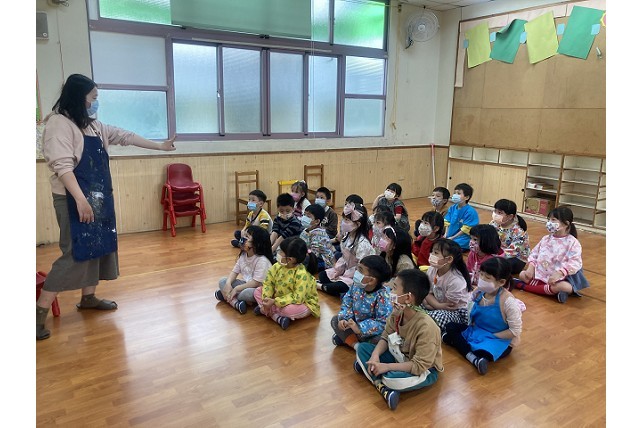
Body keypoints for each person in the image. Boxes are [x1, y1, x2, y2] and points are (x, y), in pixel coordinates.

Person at [37, 74, 176, 341]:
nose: (95, 103)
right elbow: (63, 167)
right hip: (72, 198)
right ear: (79, 98)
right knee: (74, 252)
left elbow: (125, 135)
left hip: (99, 197)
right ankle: (38, 312)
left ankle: (88, 298)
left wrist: (160, 146)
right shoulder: (59, 124)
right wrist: (81, 200)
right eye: (93, 98)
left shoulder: (93, 125)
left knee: (99, 247)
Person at [354, 269, 444, 410]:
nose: (390, 291)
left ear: (408, 298)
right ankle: (381, 383)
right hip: (399, 357)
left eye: (395, 288)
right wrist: (375, 356)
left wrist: (387, 367)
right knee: (362, 348)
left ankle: (377, 378)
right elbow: (385, 337)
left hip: (424, 370)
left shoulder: (427, 327)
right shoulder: (397, 312)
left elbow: (419, 366)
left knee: (392, 379)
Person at [442, 257, 522, 375]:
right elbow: (469, 312)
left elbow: (515, 331)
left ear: (501, 282)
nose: (482, 279)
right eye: (481, 274)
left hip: (497, 338)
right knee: (450, 326)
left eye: (487, 277)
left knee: (483, 352)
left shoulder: (508, 301)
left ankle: (464, 349)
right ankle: (473, 358)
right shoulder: (478, 292)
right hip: (477, 331)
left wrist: (489, 336)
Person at [517, 206, 589, 303]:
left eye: (553, 220)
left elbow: (575, 262)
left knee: (564, 286)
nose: (549, 223)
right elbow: (534, 254)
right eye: (549, 220)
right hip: (541, 274)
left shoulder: (573, 242)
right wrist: (531, 268)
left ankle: (529, 287)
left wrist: (560, 273)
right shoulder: (546, 239)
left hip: (559, 279)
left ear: (566, 224)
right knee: (522, 275)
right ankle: (549, 291)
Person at [253, 237, 320, 330]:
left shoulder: (302, 274)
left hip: (302, 302)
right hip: (279, 299)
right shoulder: (277, 266)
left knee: (289, 310)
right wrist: (266, 298)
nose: (278, 253)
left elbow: (297, 298)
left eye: (281, 251)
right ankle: (274, 315)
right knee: (257, 291)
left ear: (290, 259)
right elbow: (268, 283)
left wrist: (274, 302)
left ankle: (267, 311)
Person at [331, 255, 393, 350]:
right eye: (357, 268)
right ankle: (356, 345)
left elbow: (382, 322)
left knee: (383, 339)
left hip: (370, 332)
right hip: (353, 325)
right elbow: (347, 302)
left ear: (371, 280)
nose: (356, 272)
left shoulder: (383, 296)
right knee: (335, 320)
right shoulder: (356, 286)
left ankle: (350, 341)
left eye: (360, 270)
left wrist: (360, 328)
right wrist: (344, 319)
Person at [318, 203, 375, 297]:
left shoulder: (362, 244)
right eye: (344, 219)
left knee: (341, 286)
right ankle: (329, 287)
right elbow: (343, 258)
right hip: (345, 269)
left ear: (358, 224)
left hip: (357, 274)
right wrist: (338, 271)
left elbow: (360, 268)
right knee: (323, 275)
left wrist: (345, 275)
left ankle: (322, 286)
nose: (343, 222)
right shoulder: (347, 236)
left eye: (347, 220)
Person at [216, 226, 275, 314]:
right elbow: (234, 272)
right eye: (244, 235)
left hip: (259, 289)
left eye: (247, 237)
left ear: (257, 243)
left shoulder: (262, 260)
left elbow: (255, 283)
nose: (243, 239)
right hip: (246, 284)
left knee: (246, 293)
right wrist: (228, 284)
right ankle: (235, 302)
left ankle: (228, 296)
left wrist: (236, 289)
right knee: (222, 281)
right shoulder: (244, 255)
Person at [422, 238, 472, 331]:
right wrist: (435, 304)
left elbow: (449, 306)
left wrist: (433, 305)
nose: (431, 255)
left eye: (436, 253)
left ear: (449, 259)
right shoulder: (432, 269)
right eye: (432, 252)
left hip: (457, 312)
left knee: (435, 318)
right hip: (436, 303)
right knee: (412, 302)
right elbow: (427, 292)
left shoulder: (456, 280)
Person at [489, 199, 531, 275]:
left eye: (500, 213)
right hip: (498, 253)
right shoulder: (494, 224)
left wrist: (497, 257)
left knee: (501, 265)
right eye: (495, 211)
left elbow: (515, 251)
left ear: (510, 216)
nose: (495, 214)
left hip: (515, 257)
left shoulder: (518, 231)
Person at [443, 183, 479, 250]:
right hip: (451, 234)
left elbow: (466, 229)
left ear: (467, 197)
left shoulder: (470, 212)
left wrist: (453, 238)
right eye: (454, 193)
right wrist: (446, 234)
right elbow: (447, 222)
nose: (455, 195)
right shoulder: (452, 208)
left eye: (459, 193)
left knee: (450, 247)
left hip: (463, 237)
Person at [300, 203, 335, 271]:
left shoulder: (318, 234)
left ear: (317, 221)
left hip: (323, 261)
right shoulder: (307, 229)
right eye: (304, 214)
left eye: (308, 216)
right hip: (310, 254)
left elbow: (314, 255)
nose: (304, 218)